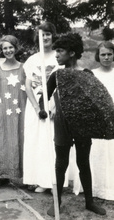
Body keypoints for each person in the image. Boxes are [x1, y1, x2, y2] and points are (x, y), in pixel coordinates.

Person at [38, 33, 106, 216]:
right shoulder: (57, 75)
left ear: (72, 53)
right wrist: (42, 109)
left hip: (82, 125)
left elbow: (96, 100)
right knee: (61, 164)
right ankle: (57, 201)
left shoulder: (86, 74)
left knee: (83, 162)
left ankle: (89, 202)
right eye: (56, 52)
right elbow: (43, 96)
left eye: (60, 51)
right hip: (62, 124)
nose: (56, 55)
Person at [23, 22, 62, 193]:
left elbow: (61, 84)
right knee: (37, 142)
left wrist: (53, 105)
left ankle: (54, 182)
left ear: (53, 35)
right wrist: (36, 107)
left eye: (47, 34)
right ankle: (40, 181)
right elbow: (28, 85)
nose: (45, 37)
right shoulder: (32, 60)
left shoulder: (58, 57)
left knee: (53, 143)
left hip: (54, 105)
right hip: (35, 107)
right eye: (41, 34)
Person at [0, 35, 27, 183]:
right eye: (5, 48)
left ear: (16, 48)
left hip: (21, 110)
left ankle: (26, 175)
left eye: (10, 47)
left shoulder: (24, 68)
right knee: (3, 140)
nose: (8, 50)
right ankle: (3, 174)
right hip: (3, 111)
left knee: (22, 139)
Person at [90, 41, 114, 200]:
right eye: (103, 54)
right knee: (98, 153)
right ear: (98, 56)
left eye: (109, 54)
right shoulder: (92, 74)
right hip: (98, 119)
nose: (106, 57)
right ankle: (97, 187)